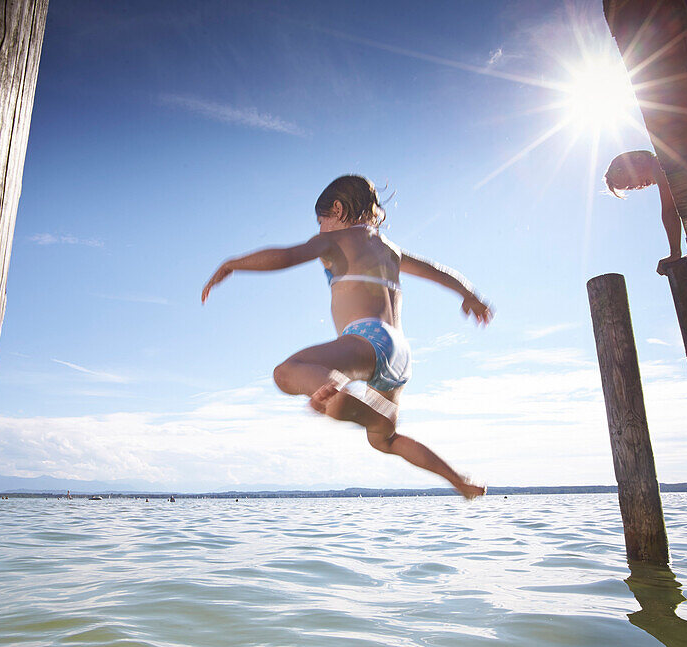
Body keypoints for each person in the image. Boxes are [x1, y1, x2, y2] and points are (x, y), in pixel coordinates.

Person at [202, 175, 492, 499]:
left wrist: (233, 264)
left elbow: (287, 255)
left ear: (337, 210)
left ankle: (338, 394)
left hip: (367, 338)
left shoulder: (334, 240)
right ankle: (459, 481)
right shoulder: (391, 250)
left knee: (285, 373)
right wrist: (470, 295)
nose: (320, 227)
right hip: (400, 353)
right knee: (384, 439)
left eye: (321, 220)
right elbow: (437, 271)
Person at [604, 150, 682, 275]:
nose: (637, 185)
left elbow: (669, 212)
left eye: (631, 178)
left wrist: (675, 253)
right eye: (630, 187)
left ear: (640, 158)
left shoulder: (659, 166)